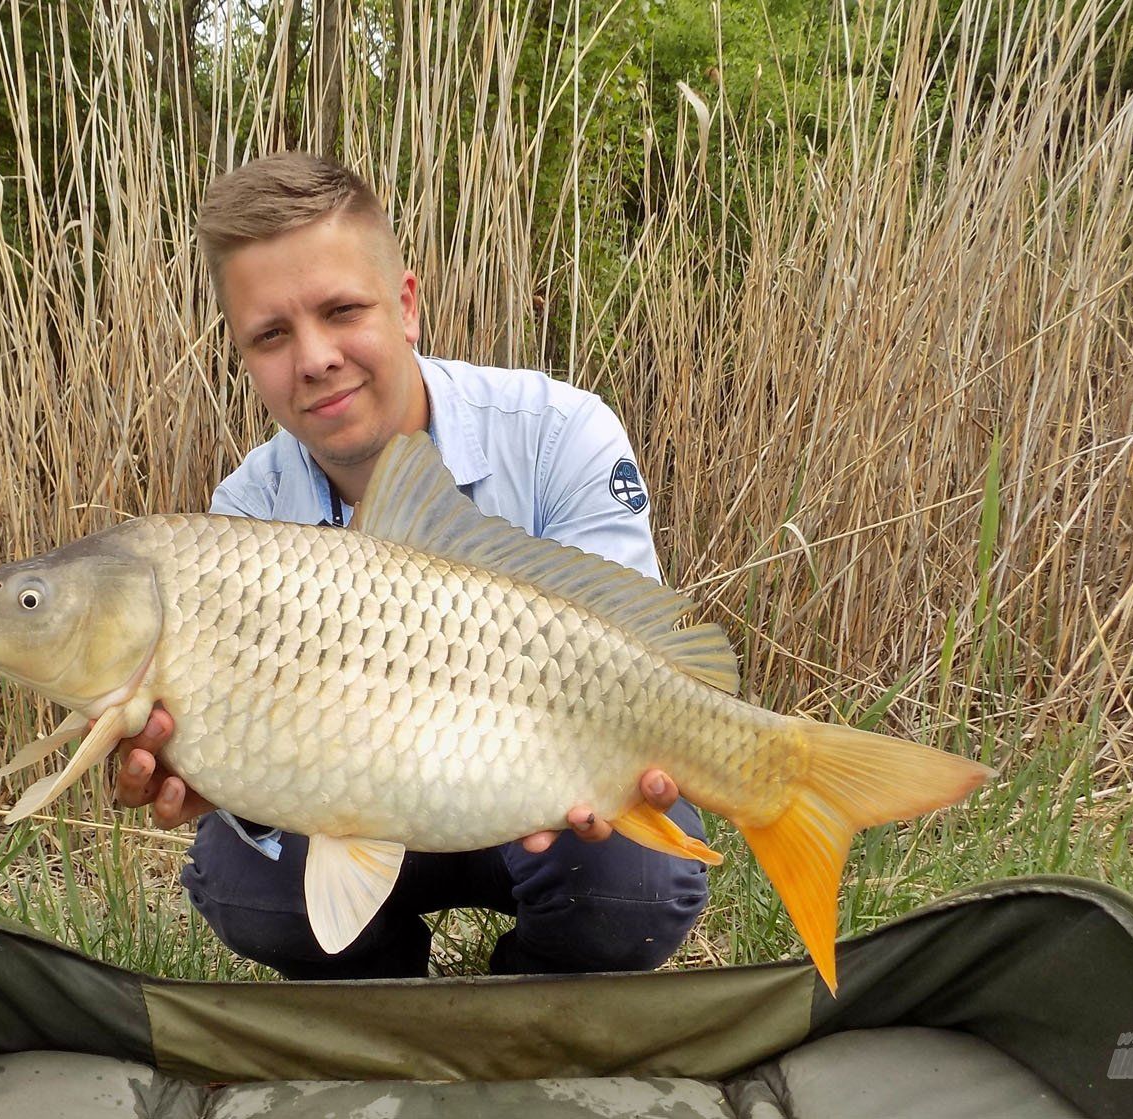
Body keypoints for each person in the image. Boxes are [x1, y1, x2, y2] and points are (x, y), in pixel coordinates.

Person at [112, 151, 709, 979]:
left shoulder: (561, 433)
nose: (315, 357)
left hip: (546, 800)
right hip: (360, 809)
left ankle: (528, 1006)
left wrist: (623, 769)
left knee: (632, 882)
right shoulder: (243, 517)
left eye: (340, 310)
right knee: (242, 875)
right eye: (272, 335)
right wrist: (222, 776)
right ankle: (392, 1009)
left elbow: (646, 667)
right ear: (243, 354)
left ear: (406, 304)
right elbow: (249, 777)